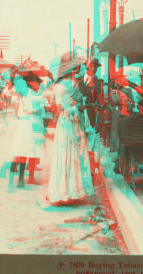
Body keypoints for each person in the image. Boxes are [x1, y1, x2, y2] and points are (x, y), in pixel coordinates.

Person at [41, 60, 95, 205]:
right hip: (70, 122)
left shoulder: (59, 86)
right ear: (72, 71)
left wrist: (75, 107)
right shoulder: (69, 86)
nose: (80, 72)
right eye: (78, 70)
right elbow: (67, 108)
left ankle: (63, 192)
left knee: (64, 155)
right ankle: (67, 193)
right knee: (70, 155)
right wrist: (77, 108)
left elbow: (57, 107)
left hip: (64, 123)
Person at [7, 72, 43, 190]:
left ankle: (21, 179)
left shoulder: (25, 97)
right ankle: (12, 182)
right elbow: (19, 114)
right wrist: (31, 111)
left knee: (23, 153)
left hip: (27, 126)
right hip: (21, 126)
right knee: (18, 153)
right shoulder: (17, 98)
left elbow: (34, 104)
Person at [78, 57, 105, 184]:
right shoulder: (78, 82)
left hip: (92, 119)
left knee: (92, 148)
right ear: (85, 67)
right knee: (80, 147)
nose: (93, 69)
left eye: (95, 67)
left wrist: (99, 121)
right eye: (90, 66)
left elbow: (101, 103)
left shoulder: (99, 83)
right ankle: (80, 174)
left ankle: (91, 174)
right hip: (79, 119)